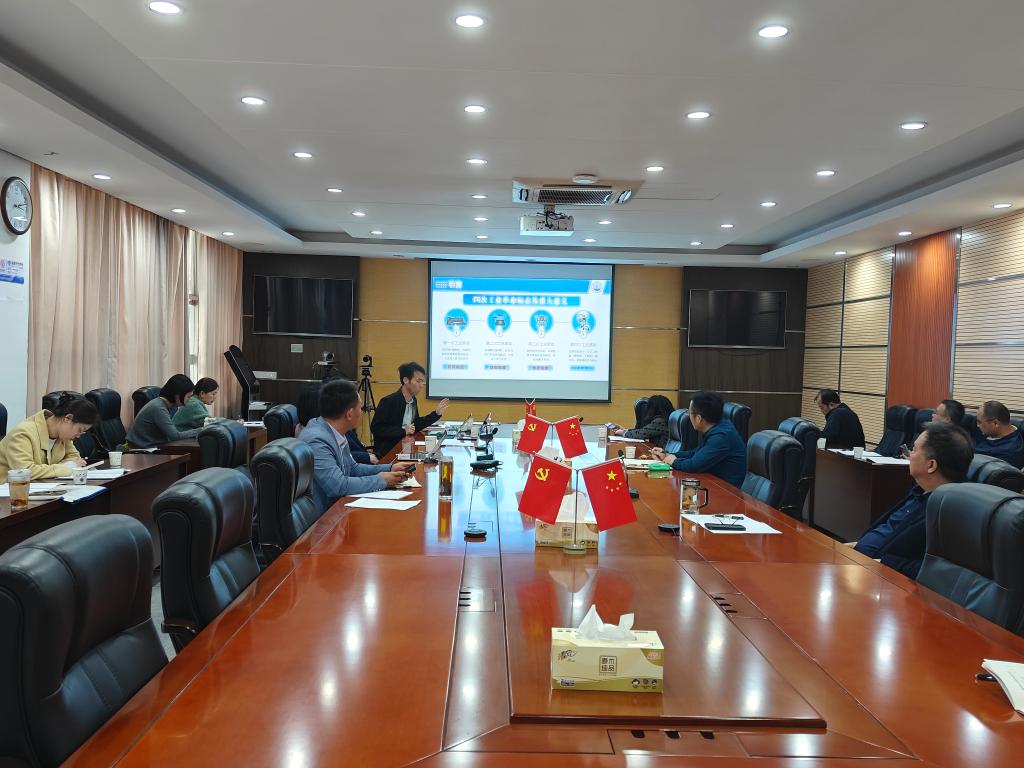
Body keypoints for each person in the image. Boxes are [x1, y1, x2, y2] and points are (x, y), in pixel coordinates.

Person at [852, 421, 973, 578]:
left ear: (931, 465)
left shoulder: (946, 512)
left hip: (883, 579)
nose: (909, 455)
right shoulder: (919, 491)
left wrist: (881, 563)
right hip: (859, 562)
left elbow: (938, 572)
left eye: (914, 450)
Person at [300, 378, 416, 512]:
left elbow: (352, 468)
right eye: (360, 408)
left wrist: (390, 468)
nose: (362, 412)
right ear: (349, 414)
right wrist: (381, 480)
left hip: (339, 507)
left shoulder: (334, 430)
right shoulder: (317, 441)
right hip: (325, 516)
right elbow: (338, 486)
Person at [650, 391, 746, 487]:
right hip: (712, 484)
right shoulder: (718, 428)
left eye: (689, 413)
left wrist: (673, 461)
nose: (689, 416)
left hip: (724, 491)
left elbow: (694, 465)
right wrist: (668, 455)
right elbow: (695, 453)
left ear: (698, 418)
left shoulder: (721, 436)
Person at [0, 395, 98, 481]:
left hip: (41, 488)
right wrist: (65, 468)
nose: (79, 435)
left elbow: (75, 459)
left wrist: (68, 466)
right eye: (80, 430)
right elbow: (24, 472)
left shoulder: (63, 436)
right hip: (7, 490)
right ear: (68, 418)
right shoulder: (23, 434)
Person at [371, 362, 451, 456]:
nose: (421, 385)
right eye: (418, 381)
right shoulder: (389, 401)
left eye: (422, 382)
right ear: (405, 380)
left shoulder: (413, 400)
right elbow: (376, 428)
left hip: (407, 447)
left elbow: (415, 424)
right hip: (389, 451)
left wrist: (436, 414)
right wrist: (403, 431)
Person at [125, 374, 202, 449]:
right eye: (188, 396)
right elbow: (175, 436)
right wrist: (201, 430)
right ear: (177, 395)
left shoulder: (169, 405)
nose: (190, 399)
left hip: (153, 447)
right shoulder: (158, 408)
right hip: (142, 451)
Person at [974, 400, 1024, 468]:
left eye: (979, 422)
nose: (977, 425)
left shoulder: (1009, 452)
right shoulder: (991, 432)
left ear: (995, 423)